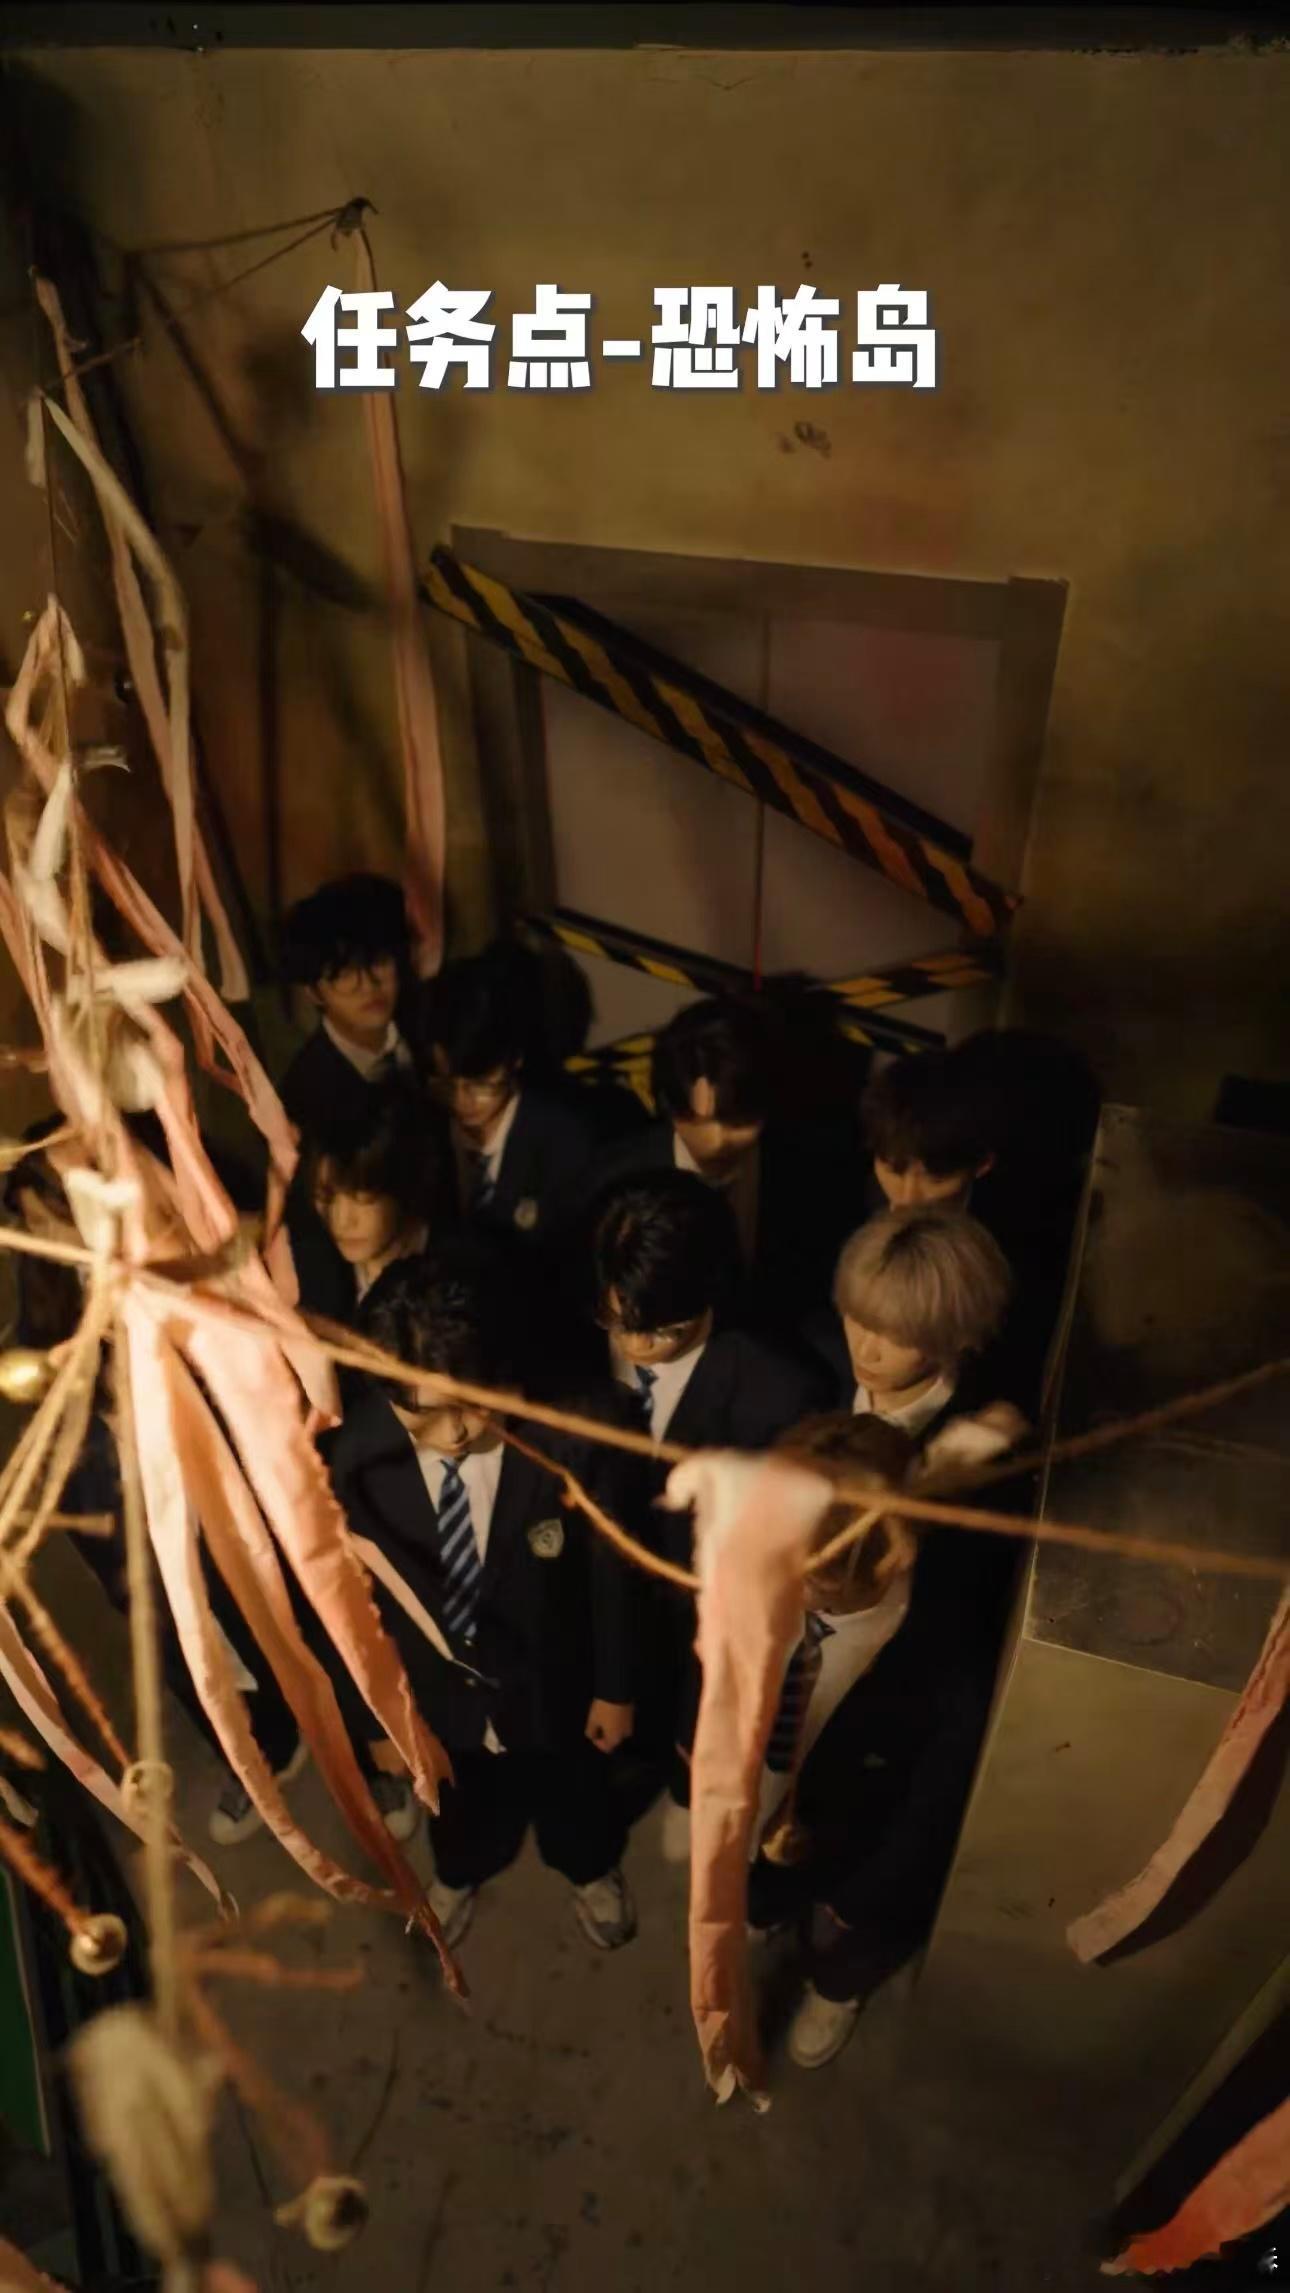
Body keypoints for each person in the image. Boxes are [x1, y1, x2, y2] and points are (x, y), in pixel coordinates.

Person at [1, 1123, 311, 1849]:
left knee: (255, 1614)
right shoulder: (45, 1290)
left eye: (63, 1210)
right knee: (175, 1641)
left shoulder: (168, 1253)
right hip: (117, 1507)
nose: (52, 1232)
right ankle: (248, 1750)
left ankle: (307, 1733)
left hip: (203, 1485)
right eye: (36, 1217)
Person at [323, 1247, 639, 1951]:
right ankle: (459, 1871)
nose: (458, 1432)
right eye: (426, 1414)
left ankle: (588, 1866)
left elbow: (609, 1574)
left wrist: (615, 1688)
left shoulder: (571, 1436)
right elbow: (346, 1605)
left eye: (472, 1402)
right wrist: (374, 1721)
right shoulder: (356, 1460)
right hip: (435, 1697)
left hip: (556, 1680)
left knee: (576, 1795)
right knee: (460, 1808)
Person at [746, 1413, 1016, 2070]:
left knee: (856, 1937)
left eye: (810, 1575)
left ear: (892, 1558)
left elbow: (930, 1810)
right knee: (762, 1889)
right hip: (771, 1802)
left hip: (860, 1842)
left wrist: (863, 1896)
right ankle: (768, 1909)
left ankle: (834, 1989)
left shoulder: (947, 1664)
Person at [591, 1170, 826, 1858]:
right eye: (618, 1322)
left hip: (697, 1622)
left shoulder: (780, 1392)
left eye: (662, 1331)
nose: (635, 1345)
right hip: (597, 1608)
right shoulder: (575, 1342)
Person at [593, 995, 854, 1330]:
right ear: (668, 1106)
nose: (717, 1140)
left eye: (738, 1122)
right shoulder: (612, 1182)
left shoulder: (810, 1171)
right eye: (695, 1119)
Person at [807, 1204, 1026, 1467]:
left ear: (957, 1338)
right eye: (858, 1320)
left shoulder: (980, 1441)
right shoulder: (805, 1378)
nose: (865, 1352)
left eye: (898, 1338)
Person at [417, 947, 594, 1250]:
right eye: (448, 1083)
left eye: (480, 1084)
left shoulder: (564, 1140)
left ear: (514, 1060)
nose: (462, 1100)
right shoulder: (420, 1128)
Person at [289, 1075, 449, 1331]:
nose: (340, 1221)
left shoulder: (459, 1275)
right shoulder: (305, 1275)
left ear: (403, 1185)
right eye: (324, 1196)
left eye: (360, 1198)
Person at [278, 874, 413, 1136]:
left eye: (379, 962)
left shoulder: (429, 1032)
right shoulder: (304, 1095)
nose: (368, 985)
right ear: (314, 992)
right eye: (345, 974)